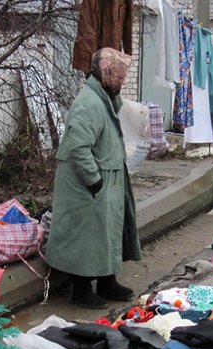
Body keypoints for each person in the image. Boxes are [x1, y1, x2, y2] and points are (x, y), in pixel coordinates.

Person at [45, 48, 141, 309]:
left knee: (106, 232)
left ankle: (107, 281)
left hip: (103, 177)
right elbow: (78, 147)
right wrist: (95, 181)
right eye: (119, 77)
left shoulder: (102, 97)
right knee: (87, 235)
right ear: (106, 74)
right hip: (87, 183)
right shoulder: (89, 103)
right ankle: (82, 289)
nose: (123, 82)